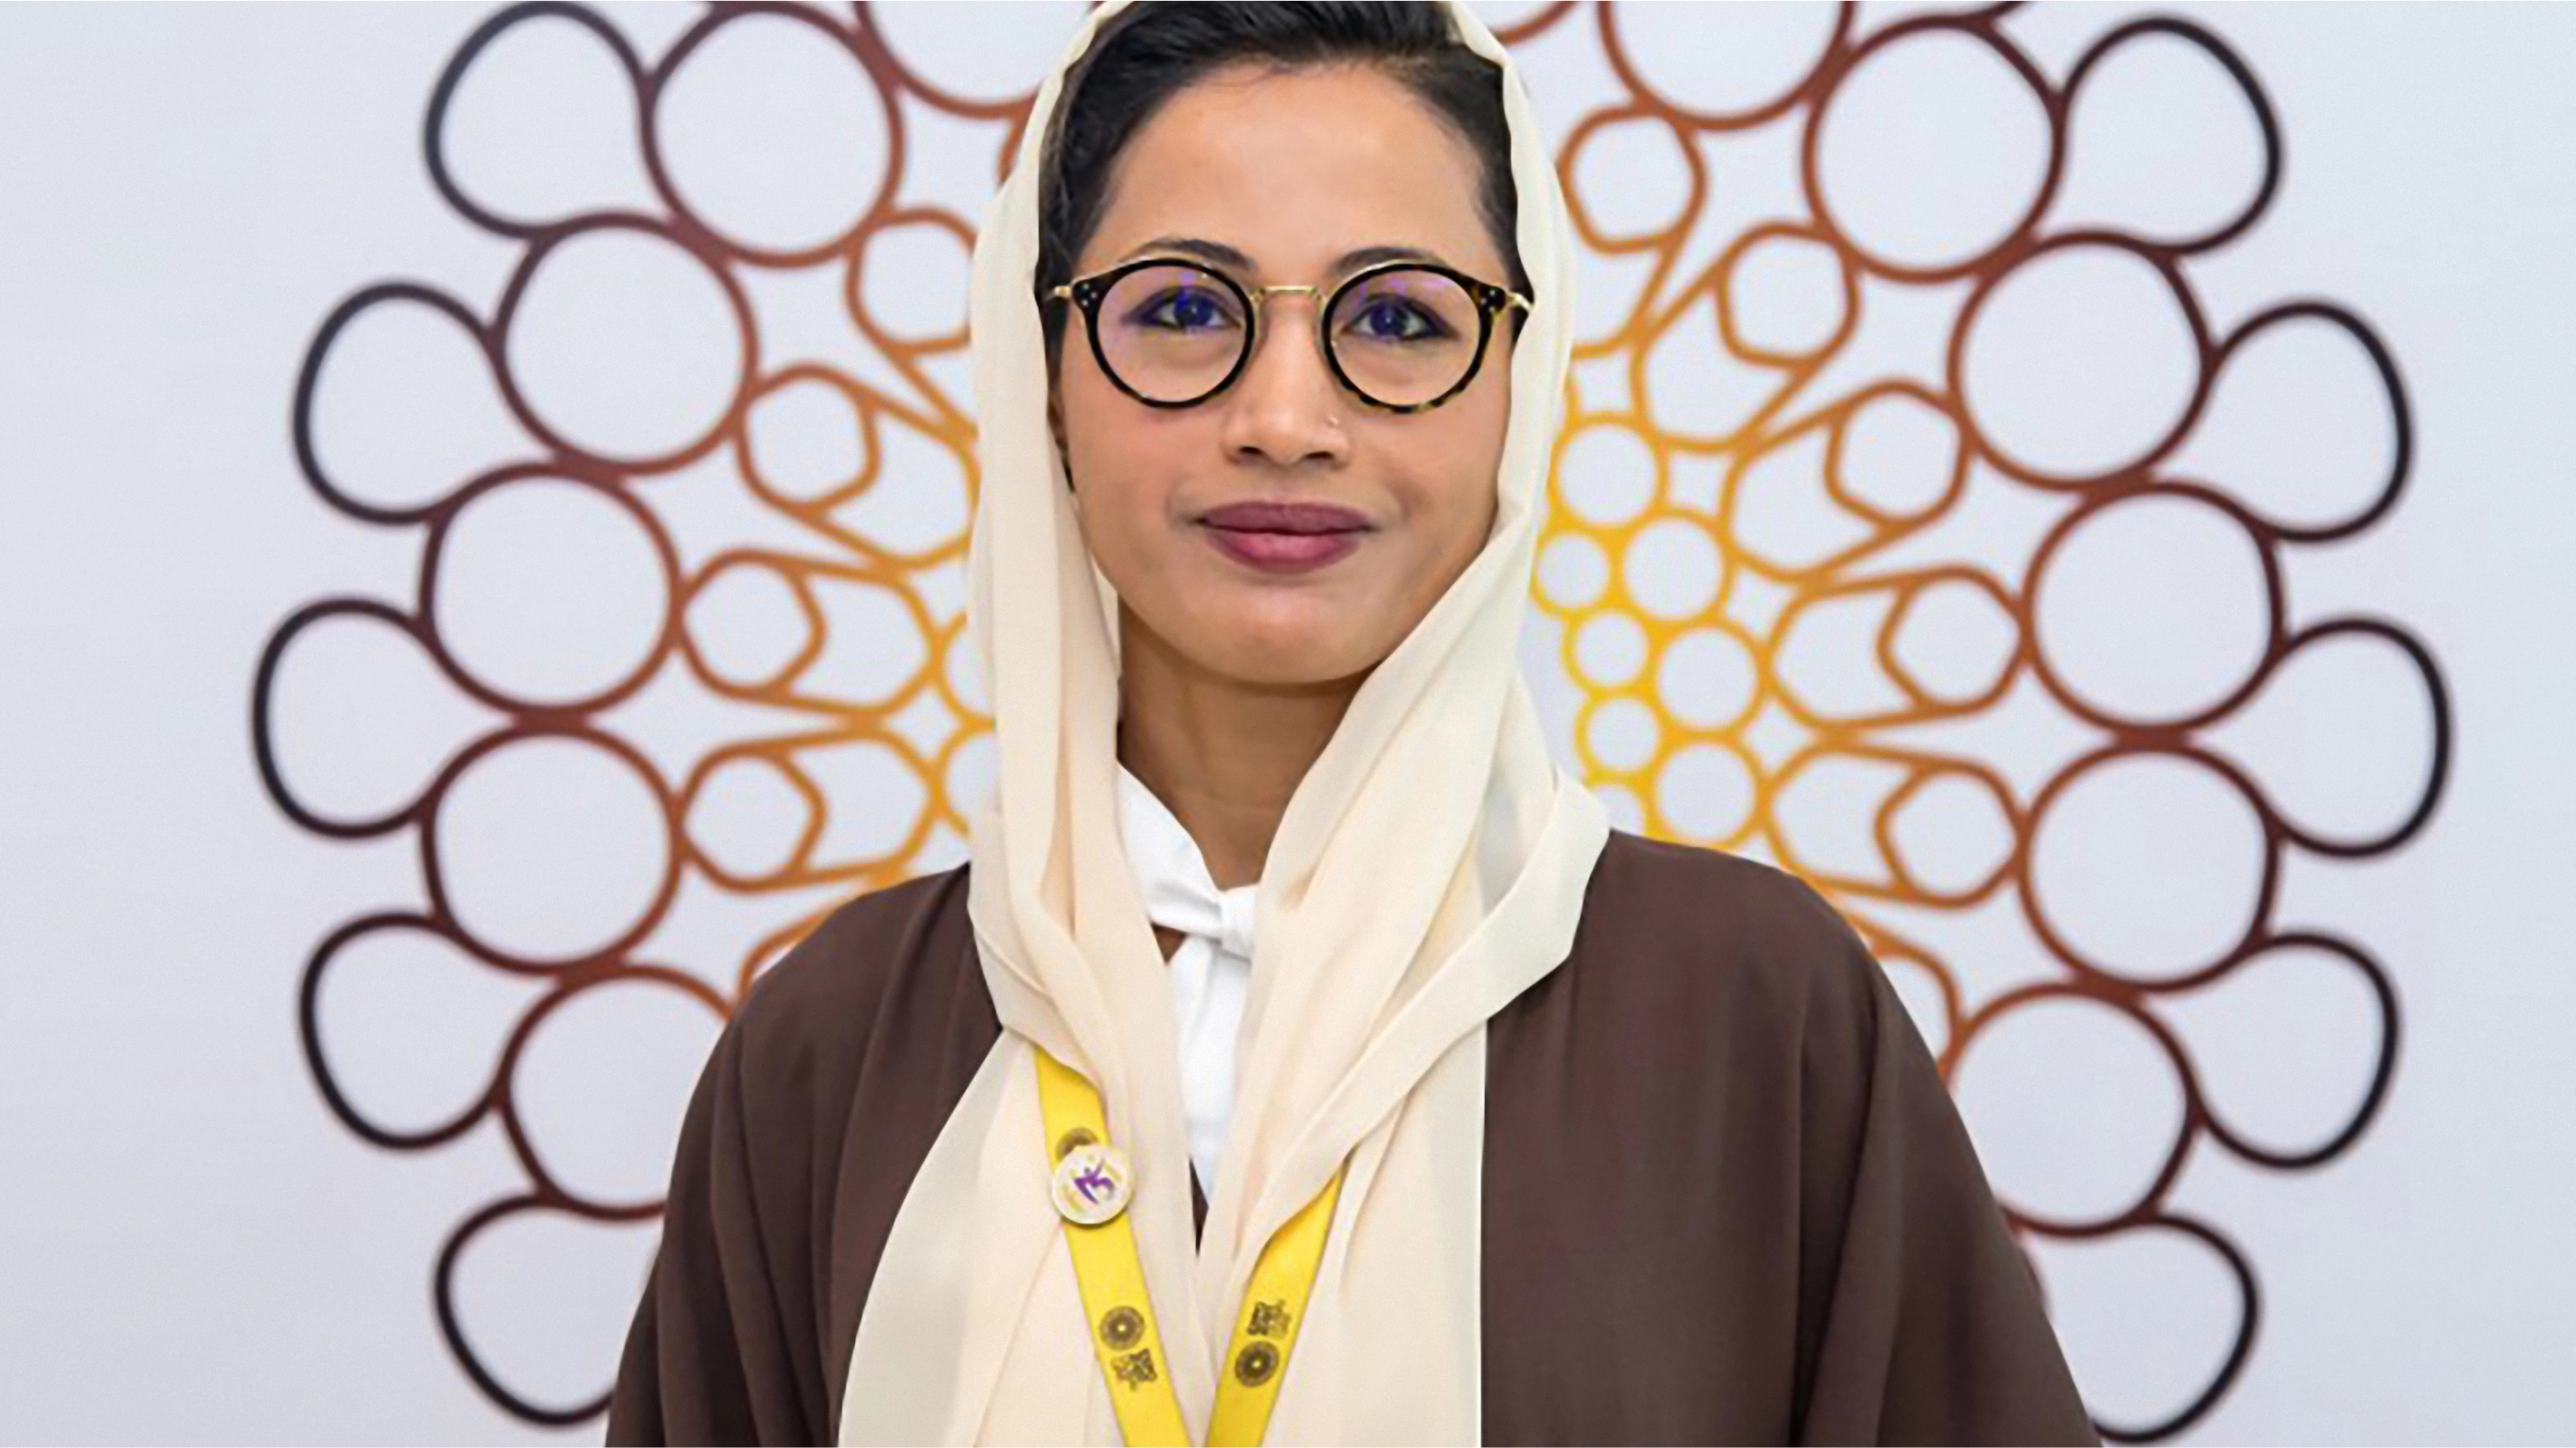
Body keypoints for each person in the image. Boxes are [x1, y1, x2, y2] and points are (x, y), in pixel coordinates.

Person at [606, 3, 2097, 1444]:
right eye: (1185, 309)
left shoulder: (1760, 1026)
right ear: (1044, 377)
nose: (1287, 415)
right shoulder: (834, 1049)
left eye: (1395, 318)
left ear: (1524, 375)